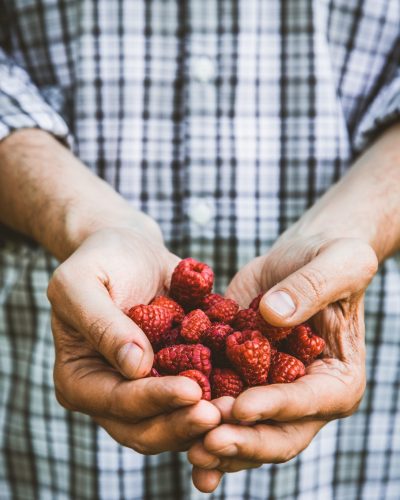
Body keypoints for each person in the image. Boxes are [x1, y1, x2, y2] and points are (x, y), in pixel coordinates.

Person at [0, 1, 399, 499]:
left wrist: (354, 227)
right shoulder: (200, 332)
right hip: (49, 426)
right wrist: (83, 220)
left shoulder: (210, 333)